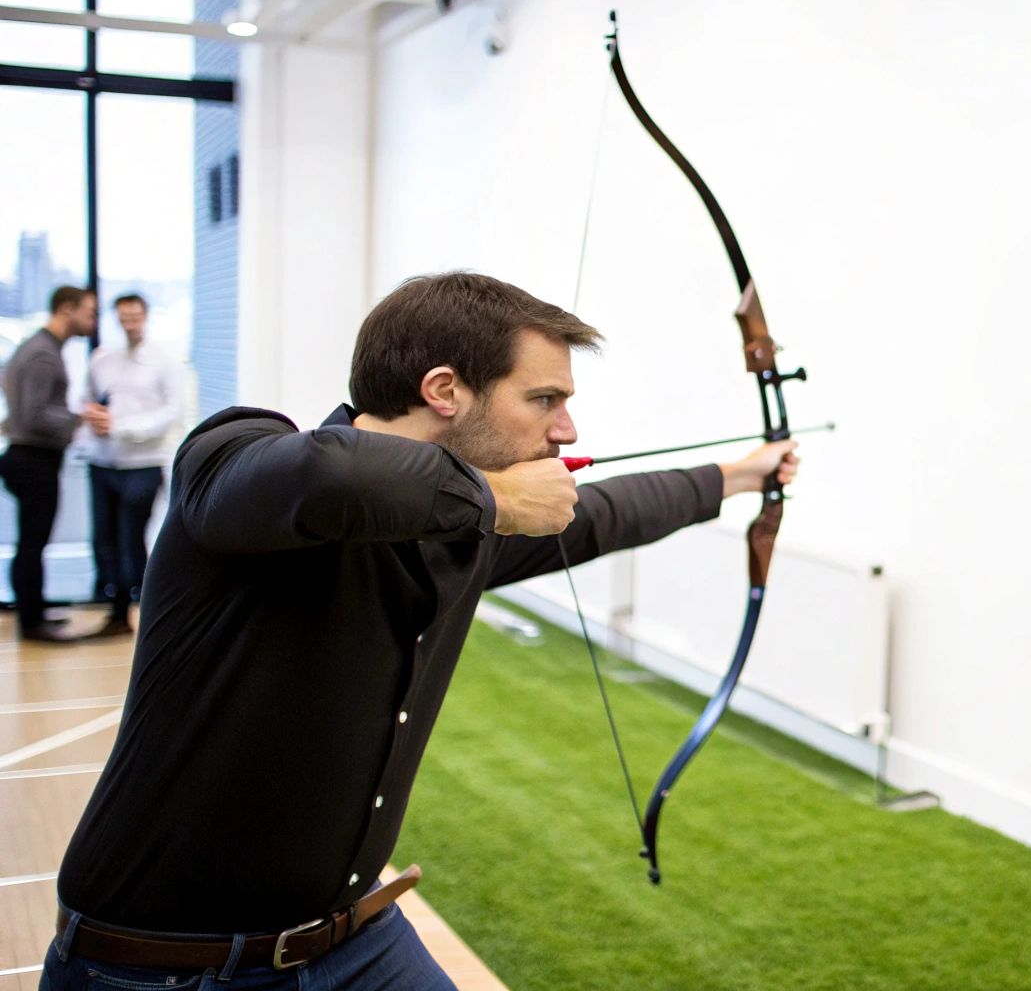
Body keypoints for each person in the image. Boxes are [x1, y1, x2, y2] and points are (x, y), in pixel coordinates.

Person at [42, 272, 800, 989]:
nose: (566, 428)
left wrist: (740, 476)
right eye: (544, 399)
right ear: (443, 390)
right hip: (167, 963)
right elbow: (332, 477)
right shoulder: (238, 456)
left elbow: (604, 514)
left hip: (351, 934)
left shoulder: (462, 531)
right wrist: (495, 499)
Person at [1, 286, 101, 642]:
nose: (93, 320)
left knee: (33, 541)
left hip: (28, 455)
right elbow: (34, 414)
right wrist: (78, 418)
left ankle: (35, 611)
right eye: (89, 312)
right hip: (33, 458)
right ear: (66, 309)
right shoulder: (43, 353)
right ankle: (32, 622)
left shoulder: (36, 347)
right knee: (32, 543)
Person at [83, 293, 185, 637]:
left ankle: (146, 613)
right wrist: (94, 418)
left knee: (132, 539)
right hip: (104, 461)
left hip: (143, 462)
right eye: (123, 318)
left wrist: (123, 427)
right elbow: (88, 400)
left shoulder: (165, 361)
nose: (130, 324)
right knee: (104, 540)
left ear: (145, 316)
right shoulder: (102, 359)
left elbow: (172, 412)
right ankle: (116, 613)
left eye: (135, 317)